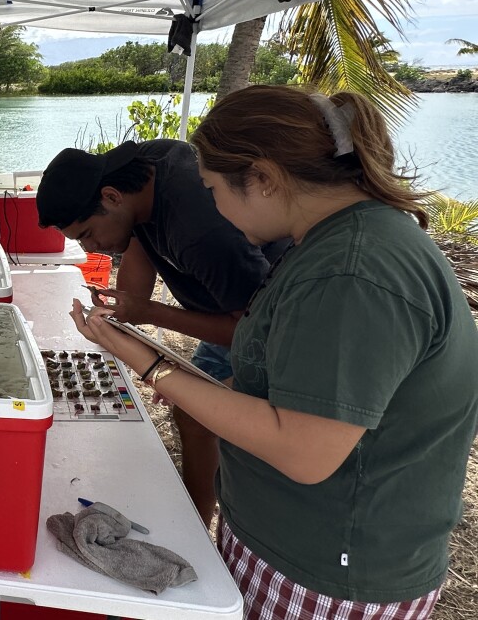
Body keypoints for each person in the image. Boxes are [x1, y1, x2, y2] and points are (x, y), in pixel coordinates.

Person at [74, 85, 478, 618]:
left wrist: (149, 363)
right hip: (288, 541)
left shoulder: (353, 271)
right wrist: (148, 345)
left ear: (263, 178)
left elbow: (304, 450)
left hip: (329, 570)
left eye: (214, 188)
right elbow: (273, 387)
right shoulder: (331, 243)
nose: (213, 205)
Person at [35, 137, 282, 527]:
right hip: (233, 305)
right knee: (190, 414)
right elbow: (138, 245)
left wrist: (149, 313)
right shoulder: (140, 175)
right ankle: (198, 515)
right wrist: (123, 314)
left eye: (87, 233)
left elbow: (249, 333)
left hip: (275, 323)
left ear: (112, 197)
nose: (93, 247)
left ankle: (202, 526)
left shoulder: (200, 231)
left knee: (203, 417)